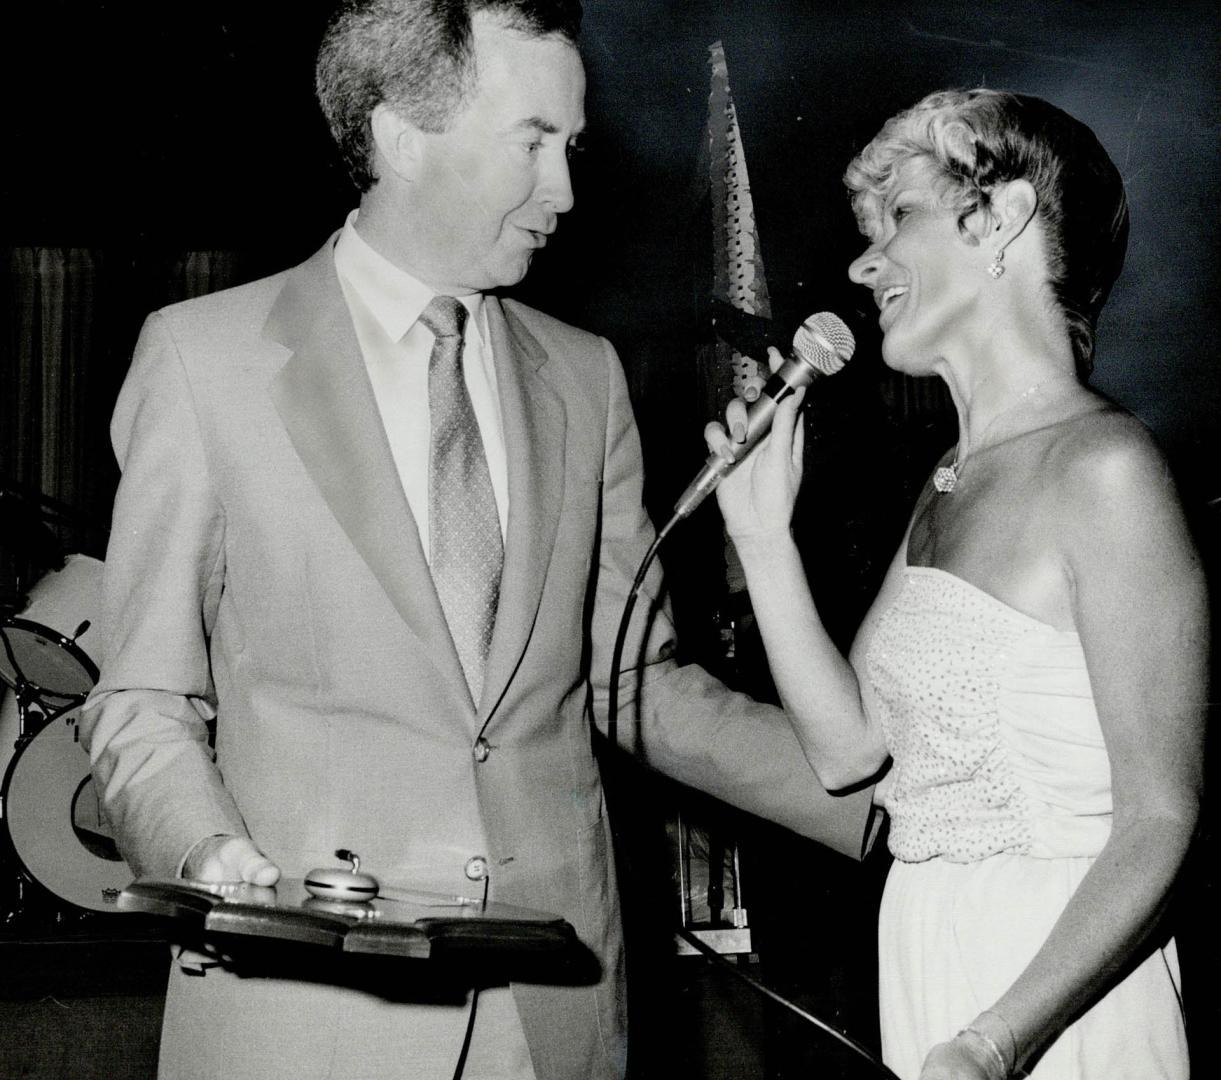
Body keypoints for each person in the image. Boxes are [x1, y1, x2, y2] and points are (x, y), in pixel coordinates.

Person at [79, 3, 875, 1078]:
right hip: (302, 1014)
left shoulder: (585, 377)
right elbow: (143, 701)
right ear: (405, 136)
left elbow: (635, 685)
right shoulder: (202, 361)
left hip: (549, 1016)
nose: (567, 192)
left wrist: (890, 811)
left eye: (572, 147)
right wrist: (206, 854)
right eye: (533, 142)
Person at [708, 88, 1206, 1079]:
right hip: (928, 959)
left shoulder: (1104, 469)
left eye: (901, 216)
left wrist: (996, 1042)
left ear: (1005, 218)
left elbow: (1161, 819)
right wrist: (762, 538)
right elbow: (848, 752)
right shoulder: (943, 487)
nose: (862, 262)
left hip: (1050, 996)